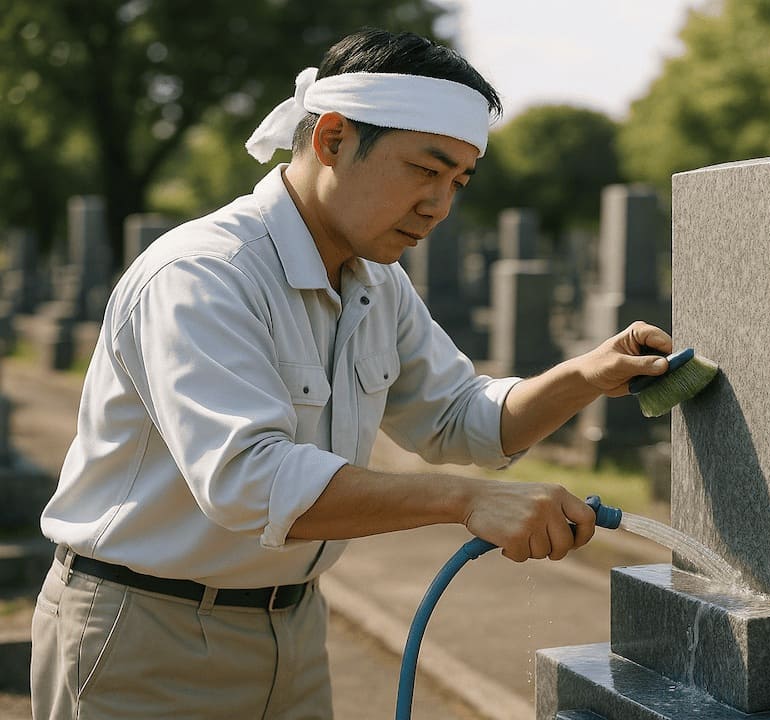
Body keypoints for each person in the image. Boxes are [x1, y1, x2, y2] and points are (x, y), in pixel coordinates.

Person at [31, 27, 673, 719]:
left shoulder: (374, 281)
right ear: (331, 138)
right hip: (145, 635)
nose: (439, 205)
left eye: (458, 180)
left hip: (294, 629)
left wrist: (589, 374)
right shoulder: (205, 273)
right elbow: (249, 480)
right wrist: (461, 501)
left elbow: (462, 420)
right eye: (424, 170)